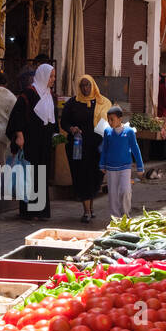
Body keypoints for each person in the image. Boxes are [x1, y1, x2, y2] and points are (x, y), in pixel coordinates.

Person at [6, 62, 56, 221]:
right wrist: (19, 135)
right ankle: (28, 211)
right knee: (29, 174)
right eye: (51, 76)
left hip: (44, 143)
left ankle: (40, 211)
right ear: (43, 76)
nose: (53, 79)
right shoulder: (28, 94)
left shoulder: (49, 95)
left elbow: (51, 119)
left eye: (54, 76)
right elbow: (17, 117)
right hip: (30, 142)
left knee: (42, 174)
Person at [60, 74, 107, 222]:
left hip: (98, 147)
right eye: (82, 85)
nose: (85, 88)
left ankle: (91, 207)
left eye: (88, 85)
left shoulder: (103, 102)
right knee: (82, 176)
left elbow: (111, 121)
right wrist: (71, 129)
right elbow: (64, 122)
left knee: (95, 176)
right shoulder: (73, 103)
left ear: (93, 85)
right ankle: (86, 211)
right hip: (78, 147)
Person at [99, 106, 144, 219]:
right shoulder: (107, 131)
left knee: (125, 191)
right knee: (113, 194)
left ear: (120, 119)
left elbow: (135, 148)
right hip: (110, 167)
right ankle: (115, 217)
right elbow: (104, 149)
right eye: (108, 119)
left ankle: (126, 215)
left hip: (125, 167)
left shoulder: (129, 132)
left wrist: (140, 167)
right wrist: (102, 164)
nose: (109, 122)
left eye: (112, 119)